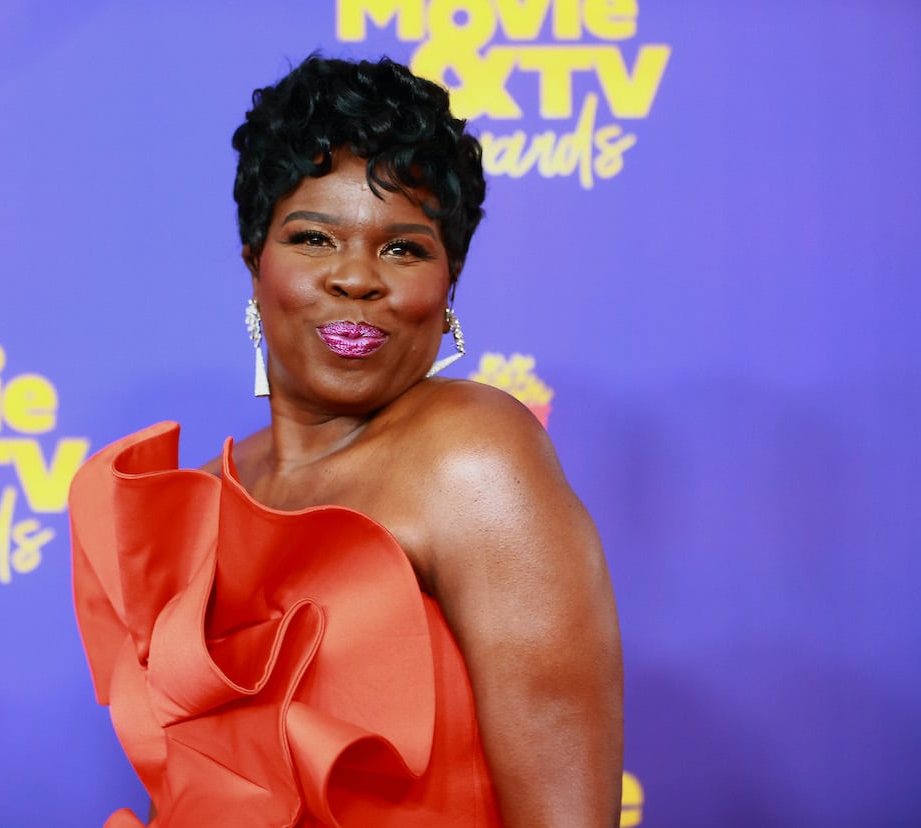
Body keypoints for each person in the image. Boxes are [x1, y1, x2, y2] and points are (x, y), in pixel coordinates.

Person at [69, 55, 623, 827]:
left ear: (448, 284)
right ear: (254, 267)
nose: (357, 278)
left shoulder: (474, 458)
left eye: (404, 248)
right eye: (314, 238)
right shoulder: (193, 502)